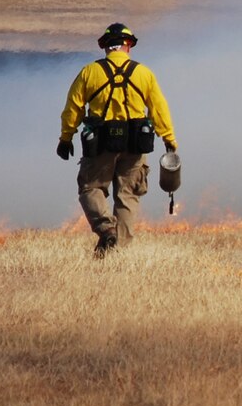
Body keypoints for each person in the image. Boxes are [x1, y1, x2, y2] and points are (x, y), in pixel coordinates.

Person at [57, 22, 178, 255]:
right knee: (128, 195)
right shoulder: (144, 73)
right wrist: (169, 139)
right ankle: (119, 250)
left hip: (99, 144)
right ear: (128, 46)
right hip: (135, 144)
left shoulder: (89, 72)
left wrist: (66, 138)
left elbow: (73, 108)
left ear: (105, 47)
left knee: (91, 188)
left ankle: (106, 230)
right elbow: (159, 109)